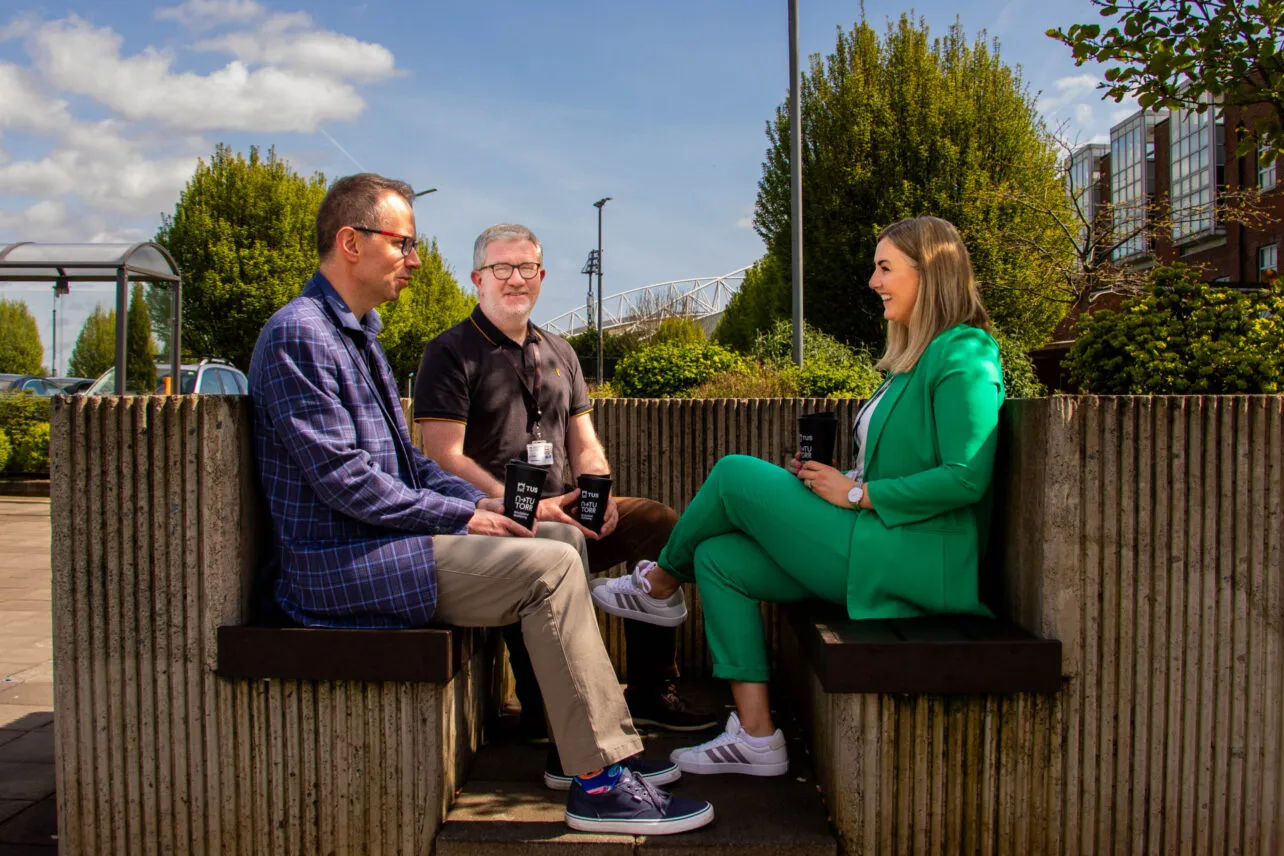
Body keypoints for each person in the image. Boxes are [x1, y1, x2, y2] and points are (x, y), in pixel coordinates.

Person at [247, 174, 714, 834]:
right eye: (403, 243)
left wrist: (504, 509)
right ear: (351, 242)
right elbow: (345, 481)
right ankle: (600, 778)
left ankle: (585, 753)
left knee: (557, 540)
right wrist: (468, 513)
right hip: (337, 564)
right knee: (549, 567)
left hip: (382, 542)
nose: (414, 259)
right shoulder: (300, 334)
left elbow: (409, 466)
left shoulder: (358, 333)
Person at [591, 216, 1004, 776]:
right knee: (718, 558)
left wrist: (856, 492)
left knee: (734, 473)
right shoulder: (916, 360)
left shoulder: (966, 353)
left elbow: (965, 477)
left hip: (908, 559)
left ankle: (659, 584)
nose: (873, 281)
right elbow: (903, 463)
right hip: (874, 539)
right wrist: (839, 477)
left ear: (929, 272)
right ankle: (757, 737)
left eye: (885, 268)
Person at [414, 223, 718, 782]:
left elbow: (584, 440)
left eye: (526, 267)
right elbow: (443, 458)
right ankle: (562, 725)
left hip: (564, 506)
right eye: (502, 268)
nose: (515, 278)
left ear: (542, 276)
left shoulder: (560, 351)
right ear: (478, 278)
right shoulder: (449, 352)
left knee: (659, 523)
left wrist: (599, 488)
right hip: (499, 519)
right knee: (556, 544)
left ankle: (651, 689)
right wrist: (523, 506)